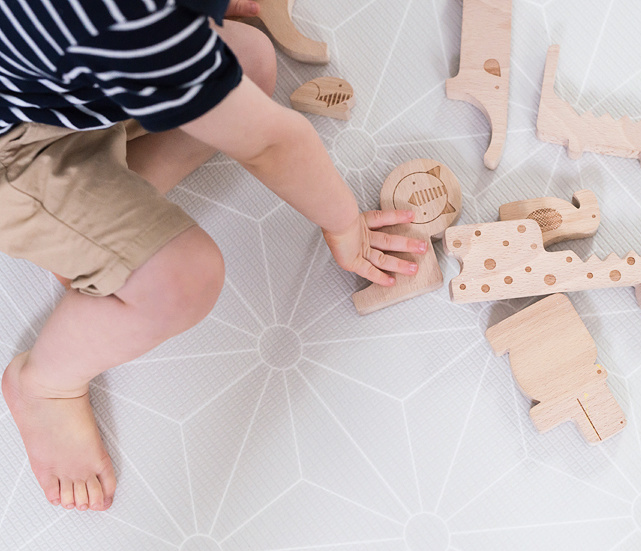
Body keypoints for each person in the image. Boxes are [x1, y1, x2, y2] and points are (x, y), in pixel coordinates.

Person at [0, 0, 426, 512]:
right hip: (17, 157)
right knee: (184, 279)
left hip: (54, 90)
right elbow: (272, 145)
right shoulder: (121, 21)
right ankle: (46, 385)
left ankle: (97, 229)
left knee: (251, 59)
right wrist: (342, 222)